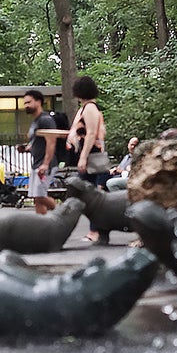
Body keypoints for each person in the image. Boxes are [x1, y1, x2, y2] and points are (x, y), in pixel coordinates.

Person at [67, 76, 109, 242]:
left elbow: (91, 133)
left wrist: (83, 157)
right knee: (88, 193)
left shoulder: (90, 108)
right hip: (89, 153)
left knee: (88, 194)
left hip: (91, 155)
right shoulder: (86, 108)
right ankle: (95, 230)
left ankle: (95, 230)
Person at [17, 90, 57, 215]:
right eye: (25, 103)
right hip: (36, 163)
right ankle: (41, 223)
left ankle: (64, 212)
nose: (26, 106)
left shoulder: (45, 120)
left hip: (46, 164)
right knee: (36, 198)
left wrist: (46, 164)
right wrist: (27, 148)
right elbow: (37, 142)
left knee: (40, 196)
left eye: (29, 102)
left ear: (38, 102)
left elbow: (51, 142)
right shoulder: (36, 121)